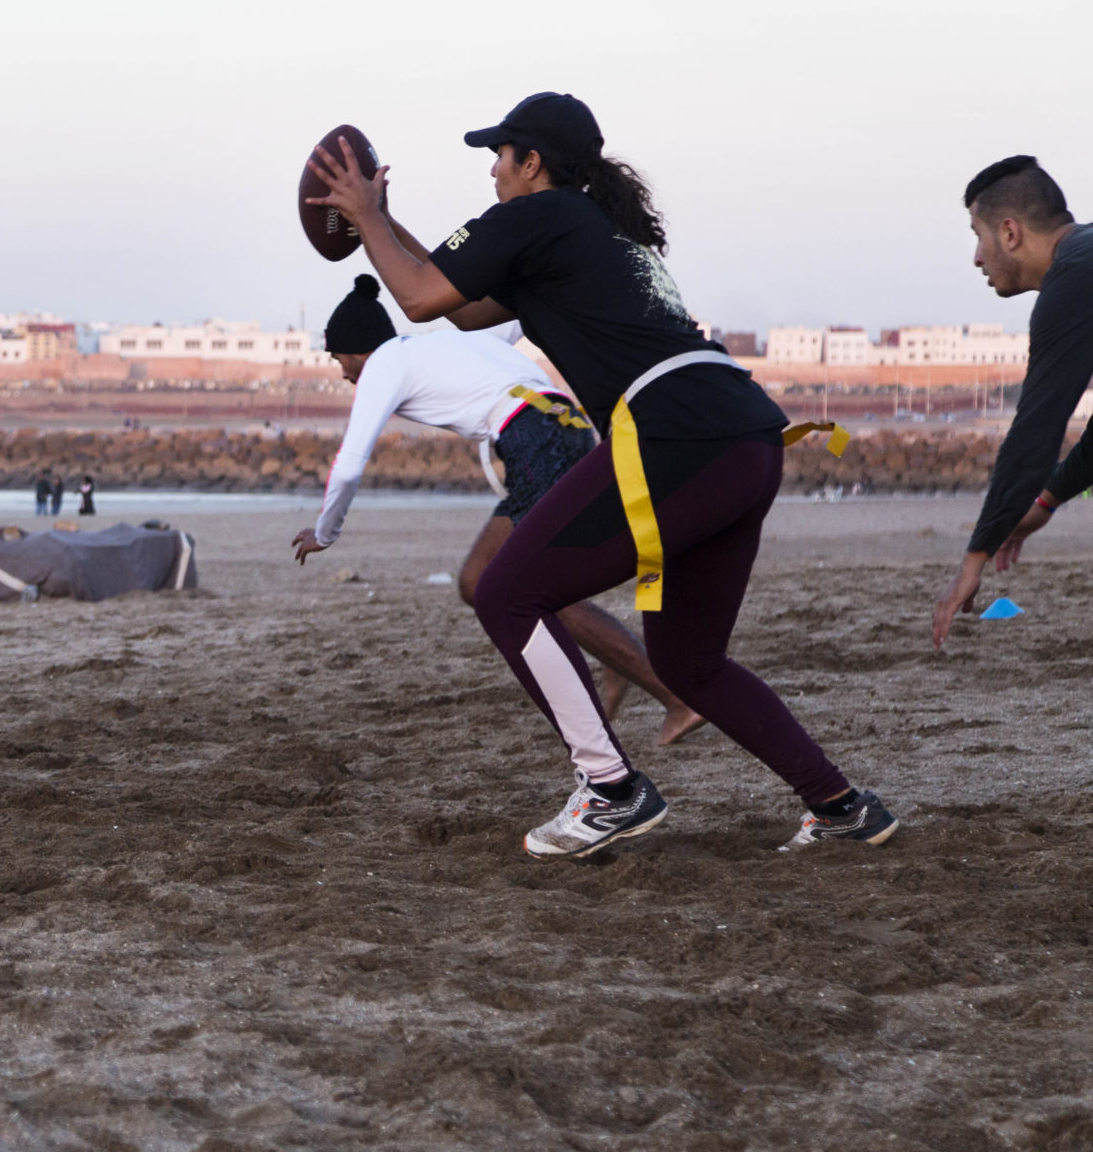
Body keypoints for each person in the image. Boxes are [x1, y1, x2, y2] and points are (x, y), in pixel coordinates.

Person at [307, 91, 895, 856]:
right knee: (690, 661)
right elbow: (460, 305)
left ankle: (611, 788)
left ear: (533, 163)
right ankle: (841, 805)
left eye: (500, 155)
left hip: (674, 436)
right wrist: (377, 221)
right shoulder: (587, 227)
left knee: (506, 590)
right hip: (747, 436)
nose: (491, 171)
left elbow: (415, 298)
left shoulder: (531, 216)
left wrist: (366, 215)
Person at [292, 274, 704, 745]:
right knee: (479, 580)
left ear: (354, 350)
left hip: (537, 442)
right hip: (562, 430)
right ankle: (616, 664)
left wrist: (325, 533)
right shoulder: (435, 346)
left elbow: (348, 466)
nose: (339, 370)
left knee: (539, 592)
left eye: (336, 357)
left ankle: (673, 697)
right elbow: (511, 327)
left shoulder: (384, 363)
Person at [930, 156, 1090, 646]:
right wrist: (1049, 497)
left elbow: (1036, 428)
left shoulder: (1074, 279)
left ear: (1010, 233)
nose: (977, 257)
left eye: (977, 236)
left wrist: (974, 559)